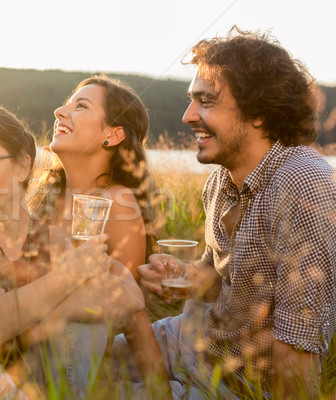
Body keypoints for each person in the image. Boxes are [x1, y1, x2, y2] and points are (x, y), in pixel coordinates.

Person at [133, 27, 336, 398]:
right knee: (72, 355)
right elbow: (216, 275)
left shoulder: (304, 183)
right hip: (194, 339)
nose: (187, 116)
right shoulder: (221, 181)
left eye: (205, 101)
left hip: (238, 385)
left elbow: (298, 351)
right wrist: (185, 276)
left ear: (258, 112)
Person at [0, 104, 144, 398]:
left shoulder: (54, 239)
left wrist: (9, 301)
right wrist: (69, 277)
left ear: (22, 166)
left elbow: (127, 297)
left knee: (84, 327)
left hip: (49, 384)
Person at [30, 74, 171, 396]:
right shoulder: (45, 198)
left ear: (112, 135)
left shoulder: (117, 202)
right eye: (67, 103)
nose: (59, 112)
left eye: (80, 106)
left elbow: (124, 310)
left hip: (70, 360)